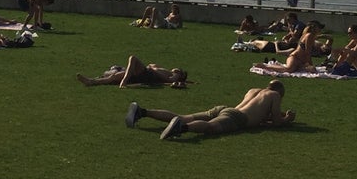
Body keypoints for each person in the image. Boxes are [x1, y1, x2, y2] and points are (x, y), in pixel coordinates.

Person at [126, 81, 295, 139]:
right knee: (210, 128)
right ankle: (182, 128)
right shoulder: (275, 95)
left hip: (225, 109)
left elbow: (260, 113)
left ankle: (142, 112)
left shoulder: (254, 90)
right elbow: (277, 122)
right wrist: (287, 119)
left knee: (183, 116)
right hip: (237, 118)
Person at [76, 56, 189, 88]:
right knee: (114, 76)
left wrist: (155, 71)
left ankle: (124, 82)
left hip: (148, 75)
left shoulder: (175, 75)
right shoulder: (167, 70)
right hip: (145, 73)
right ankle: (91, 81)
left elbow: (168, 80)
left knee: (133, 58)